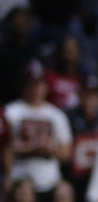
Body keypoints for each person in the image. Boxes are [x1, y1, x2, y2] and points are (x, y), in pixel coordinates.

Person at [6, 61, 72, 194]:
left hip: (49, 182)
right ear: (24, 85)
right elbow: (4, 149)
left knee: (65, 191)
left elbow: (67, 153)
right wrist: (29, 147)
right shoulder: (11, 112)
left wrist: (50, 148)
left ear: (46, 86)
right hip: (19, 179)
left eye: (40, 84)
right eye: (32, 84)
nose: (36, 89)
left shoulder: (56, 115)